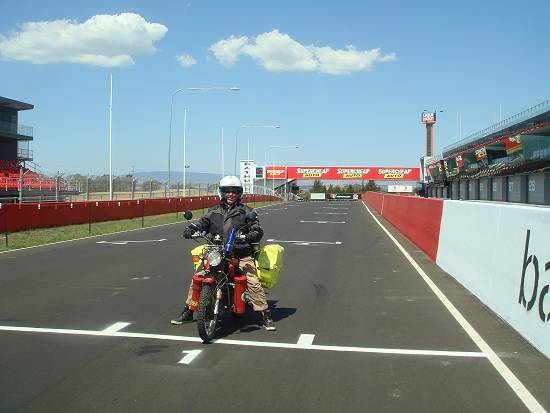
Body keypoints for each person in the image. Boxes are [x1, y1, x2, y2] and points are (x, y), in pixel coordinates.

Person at [171, 175, 276, 331]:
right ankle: (189, 311)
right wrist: (192, 229)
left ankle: (264, 314)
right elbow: (202, 223)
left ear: (239, 193)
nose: (230, 194)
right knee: (198, 278)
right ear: (221, 192)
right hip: (216, 252)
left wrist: (251, 234)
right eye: (227, 191)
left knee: (253, 280)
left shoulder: (247, 211)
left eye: (234, 191)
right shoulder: (213, 211)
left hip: (239, 253)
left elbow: (256, 227)